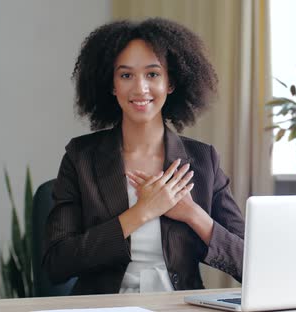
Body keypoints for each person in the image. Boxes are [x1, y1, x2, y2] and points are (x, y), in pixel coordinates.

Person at [42, 18, 244, 295]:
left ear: (170, 82)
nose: (140, 89)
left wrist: (192, 214)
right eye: (126, 75)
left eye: (152, 74)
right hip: (105, 306)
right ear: (111, 85)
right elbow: (57, 263)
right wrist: (141, 212)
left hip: (180, 305)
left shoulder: (203, 159)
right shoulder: (81, 157)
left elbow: (249, 262)